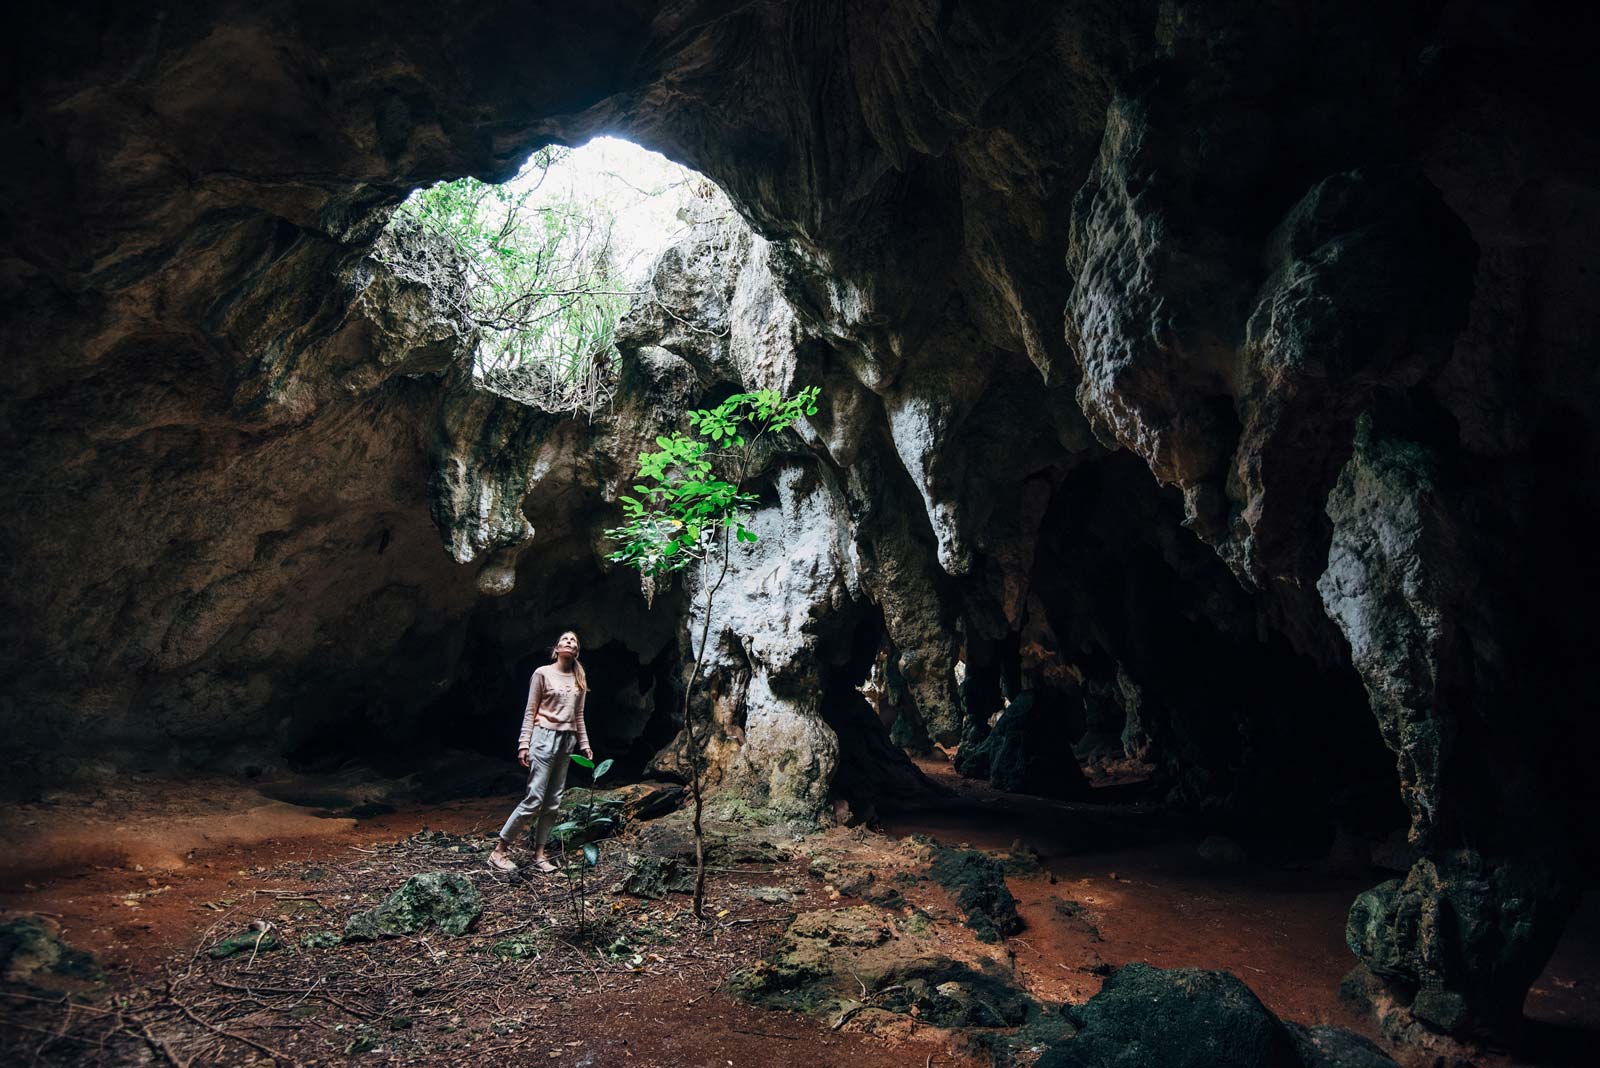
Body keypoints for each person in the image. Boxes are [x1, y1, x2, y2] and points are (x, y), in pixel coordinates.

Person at [488, 631, 593, 873]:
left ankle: (539, 854)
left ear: (576, 652)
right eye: (565, 639)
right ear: (556, 648)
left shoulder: (579, 678)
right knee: (534, 798)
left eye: (574, 641)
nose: (569, 642)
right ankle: (499, 850)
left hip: (567, 741)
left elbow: (579, 716)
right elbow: (530, 710)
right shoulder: (542, 673)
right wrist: (524, 743)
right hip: (543, 736)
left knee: (553, 801)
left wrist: (584, 744)